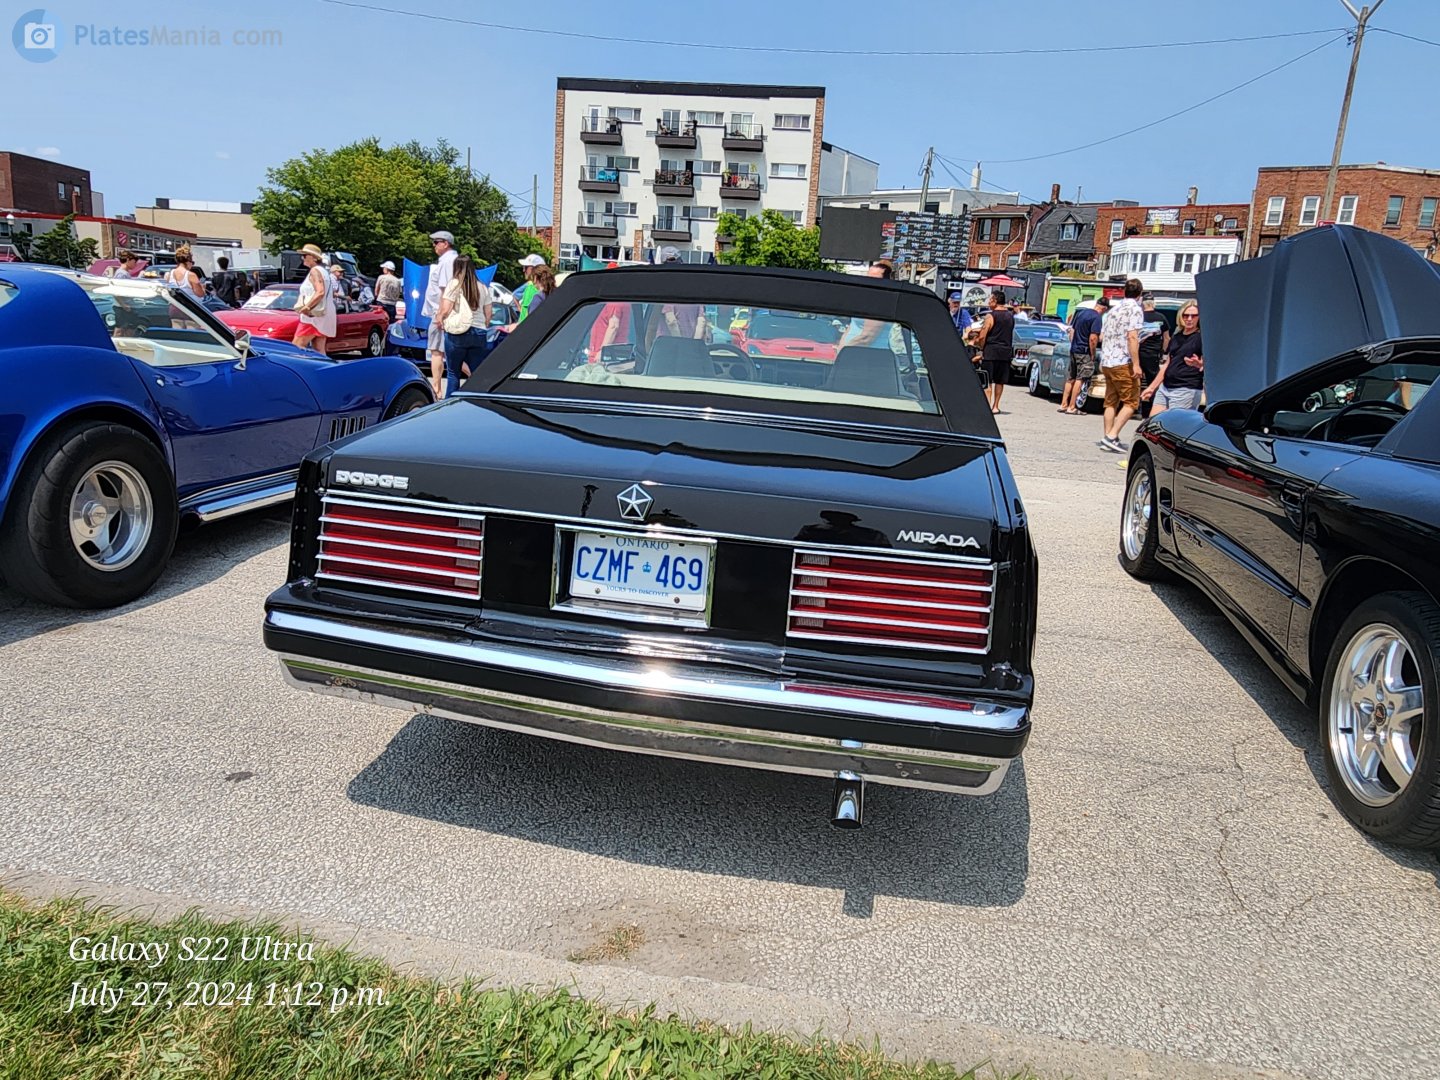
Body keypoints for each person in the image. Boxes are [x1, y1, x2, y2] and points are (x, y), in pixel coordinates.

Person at [1098, 278, 1145, 452]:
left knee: (1111, 401)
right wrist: (1136, 364)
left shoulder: (1113, 310)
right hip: (1123, 360)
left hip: (1107, 360)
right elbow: (1132, 337)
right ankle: (1111, 436)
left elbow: (1102, 336)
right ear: (1140, 294)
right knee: (1131, 402)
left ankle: (1108, 436)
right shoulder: (1135, 310)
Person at [437, 254, 493, 397]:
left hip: (458, 332)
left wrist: (440, 318)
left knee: (453, 373)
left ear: (456, 268)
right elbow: (489, 314)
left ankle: (450, 405)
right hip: (479, 332)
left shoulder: (454, 284)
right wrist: (482, 325)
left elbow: (446, 309)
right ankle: (477, 402)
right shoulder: (482, 287)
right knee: (476, 374)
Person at [1141, 300, 1204, 416]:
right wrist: (1151, 387)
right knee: (1154, 422)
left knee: (1176, 423)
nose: (1189, 319)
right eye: (1186, 315)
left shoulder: (1201, 338)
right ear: (1181, 316)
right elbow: (1167, 364)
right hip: (1166, 387)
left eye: (1194, 316)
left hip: (1186, 388)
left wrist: (1200, 364)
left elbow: (1211, 364)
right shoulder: (1176, 337)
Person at [422, 230, 458, 397]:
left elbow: (446, 290)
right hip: (446, 311)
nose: (434, 246)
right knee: (451, 352)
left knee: (437, 350)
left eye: (436, 242)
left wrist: (441, 314)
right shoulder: (453, 260)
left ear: (446, 243)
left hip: (441, 311)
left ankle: (436, 390)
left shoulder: (447, 262)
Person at [1059, 296, 1106, 414]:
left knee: (1070, 378)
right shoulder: (1096, 317)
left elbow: (1072, 331)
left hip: (1074, 349)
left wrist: (1073, 344)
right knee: (1080, 379)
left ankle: (1063, 404)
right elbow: (1093, 338)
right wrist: (1092, 353)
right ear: (1104, 308)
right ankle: (1072, 407)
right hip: (1084, 351)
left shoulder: (1081, 313)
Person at [972, 289, 1014, 414]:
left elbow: (983, 335)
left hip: (991, 350)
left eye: (990, 299)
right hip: (1005, 351)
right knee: (1000, 381)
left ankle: (987, 405)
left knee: (988, 379)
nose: (989, 302)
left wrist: (980, 347)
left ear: (995, 301)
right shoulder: (1010, 316)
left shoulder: (991, 316)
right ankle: (996, 406)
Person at [839, 260, 895, 348]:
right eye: (868, 278)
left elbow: (866, 338)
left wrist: (844, 349)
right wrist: (840, 347)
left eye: (874, 279)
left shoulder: (881, 303)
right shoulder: (867, 299)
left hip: (868, 353)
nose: (869, 282)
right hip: (851, 351)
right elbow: (851, 326)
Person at [292, 244, 336, 352]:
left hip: (313, 317)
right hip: (324, 314)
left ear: (314, 258)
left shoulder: (314, 271)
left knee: (296, 348)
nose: (302, 258)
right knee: (319, 350)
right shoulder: (324, 272)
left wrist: (307, 307)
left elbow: (320, 292)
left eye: (305, 255)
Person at [1137, 294, 1170, 419]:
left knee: (1137, 381)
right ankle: (1152, 409)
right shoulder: (1161, 317)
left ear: (1143, 304)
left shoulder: (1138, 317)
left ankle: (1136, 408)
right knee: (1153, 382)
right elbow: (1166, 338)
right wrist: (1164, 353)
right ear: (1153, 303)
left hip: (1137, 353)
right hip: (1153, 354)